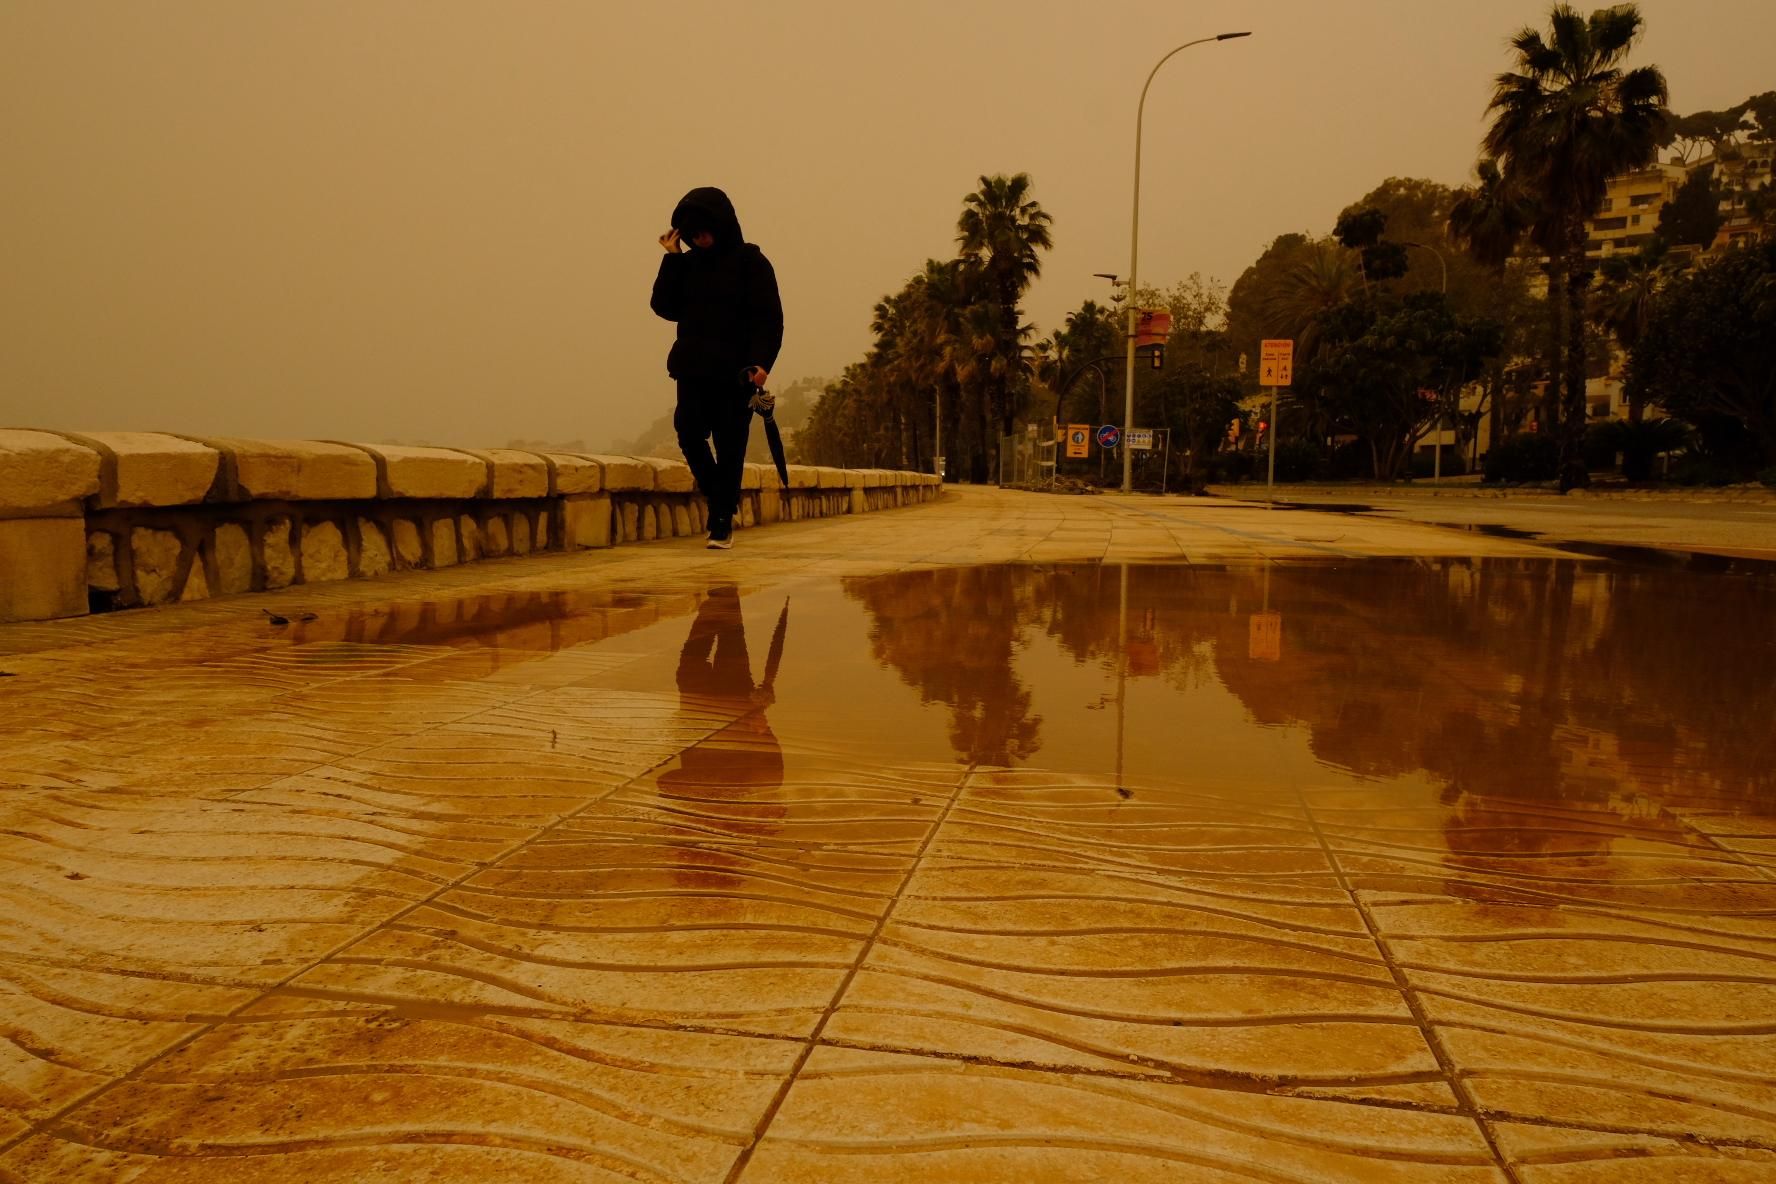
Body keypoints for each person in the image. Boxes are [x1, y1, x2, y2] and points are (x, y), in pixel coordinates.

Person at [650, 187, 783, 551]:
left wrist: (761, 363)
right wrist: (673, 257)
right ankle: (722, 499)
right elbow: (663, 306)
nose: (699, 237)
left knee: (730, 446)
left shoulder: (751, 263)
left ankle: (721, 523)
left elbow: (769, 319)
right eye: (692, 233)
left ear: (722, 225)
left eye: (705, 230)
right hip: (692, 368)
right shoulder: (687, 265)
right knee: (689, 434)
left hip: (735, 372)